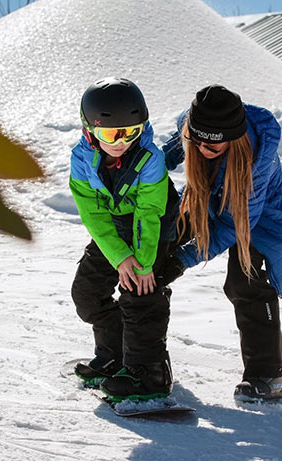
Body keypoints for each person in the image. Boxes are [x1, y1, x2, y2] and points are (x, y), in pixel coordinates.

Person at [158, 84, 282, 401]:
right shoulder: (190, 124)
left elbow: (231, 227)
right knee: (158, 246)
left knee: (246, 284)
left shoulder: (258, 159)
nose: (203, 149)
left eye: (213, 147)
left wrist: (182, 262)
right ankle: (146, 358)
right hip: (205, 200)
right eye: (197, 141)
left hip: (256, 220)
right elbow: (170, 153)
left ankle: (269, 376)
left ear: (231, 140)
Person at [69, 77, 179, 402]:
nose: (121, 142)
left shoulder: (150, 158)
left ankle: (149, 374)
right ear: (90, 130)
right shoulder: (81, 159)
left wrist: (142, 263)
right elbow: (93, 214)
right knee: (87, 292)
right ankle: (115, 356)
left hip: (153, 225)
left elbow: (149, 213)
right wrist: (119, 256)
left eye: (131, 132)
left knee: (139, 289)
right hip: (113, 227)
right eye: (111, 134)